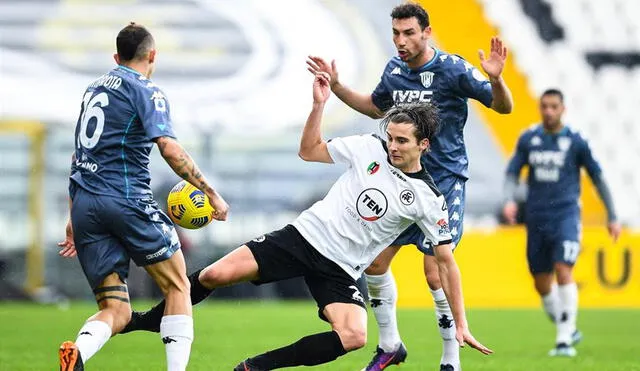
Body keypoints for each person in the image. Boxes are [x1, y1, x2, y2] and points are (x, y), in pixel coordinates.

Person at [120, 71, 492, 370]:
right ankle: (146, 320)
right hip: (303, 237)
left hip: (342, 267)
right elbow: (308, 151)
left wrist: (461, 322)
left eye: (402, 142)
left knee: (354, 336)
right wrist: (318, 105)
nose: (393, 146)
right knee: (215, 275)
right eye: (391, 138)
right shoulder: (368, 147)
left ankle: (256, 367)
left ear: (423, 145)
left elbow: (446, 262)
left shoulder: (429, 198)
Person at [306, 3, 513, 370]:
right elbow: (373, 108)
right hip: (399, 182)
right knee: (374, 263)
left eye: (408, 33)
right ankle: (390, 345)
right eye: (396, 34)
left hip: (442, 184)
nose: (400, 41)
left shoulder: (452, 69)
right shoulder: (394, 70)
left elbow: (503, 108)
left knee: (434, 272)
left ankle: (450, 360)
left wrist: (496, 78)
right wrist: (336, 86)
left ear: (427, 32)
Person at [56, 22, 229, 371]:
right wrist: (209, 192)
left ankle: (79, 352)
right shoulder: (147, 90)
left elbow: (80, 155)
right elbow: (168, 147)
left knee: (115, 309)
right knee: (178, 285)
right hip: (126, 199)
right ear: (153, 56)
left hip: (87, 205)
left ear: (116, 57)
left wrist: (73, 216)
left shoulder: (93, 89)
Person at [502, 88, 621, 357]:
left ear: (562, 109)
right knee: (540, 281)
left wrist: (611, 215)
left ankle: (564, 340)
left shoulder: (576, 141)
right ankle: (567, 326)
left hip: (566, 215)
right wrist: (509, 199)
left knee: (563, 268)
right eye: (544, 106)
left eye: (554, 106)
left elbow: (597, 177)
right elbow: (512, 172)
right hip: (536, 217)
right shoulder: (529, 138)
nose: (548, 111)